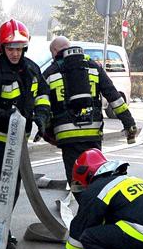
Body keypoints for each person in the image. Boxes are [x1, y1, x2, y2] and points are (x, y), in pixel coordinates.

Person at [0, 19, 50, 249]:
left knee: (12, 188)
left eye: (18, 48)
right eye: (10, 48)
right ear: (2, 47)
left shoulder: (32, 69)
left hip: (19, 141)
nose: (15, 53)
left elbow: (43, 94)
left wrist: (42, 117)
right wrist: (6, 118)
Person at [42, 36, 137, 196]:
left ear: (55, 51)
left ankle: (87, 215)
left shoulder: (50, 72)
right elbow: (114, 97)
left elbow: (42, 106)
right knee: (96, 178)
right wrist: (129, 124)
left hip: (68, 137)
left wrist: (44, 131)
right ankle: (97, 211)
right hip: (93, 134)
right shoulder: (94, 67)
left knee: (77, 182)